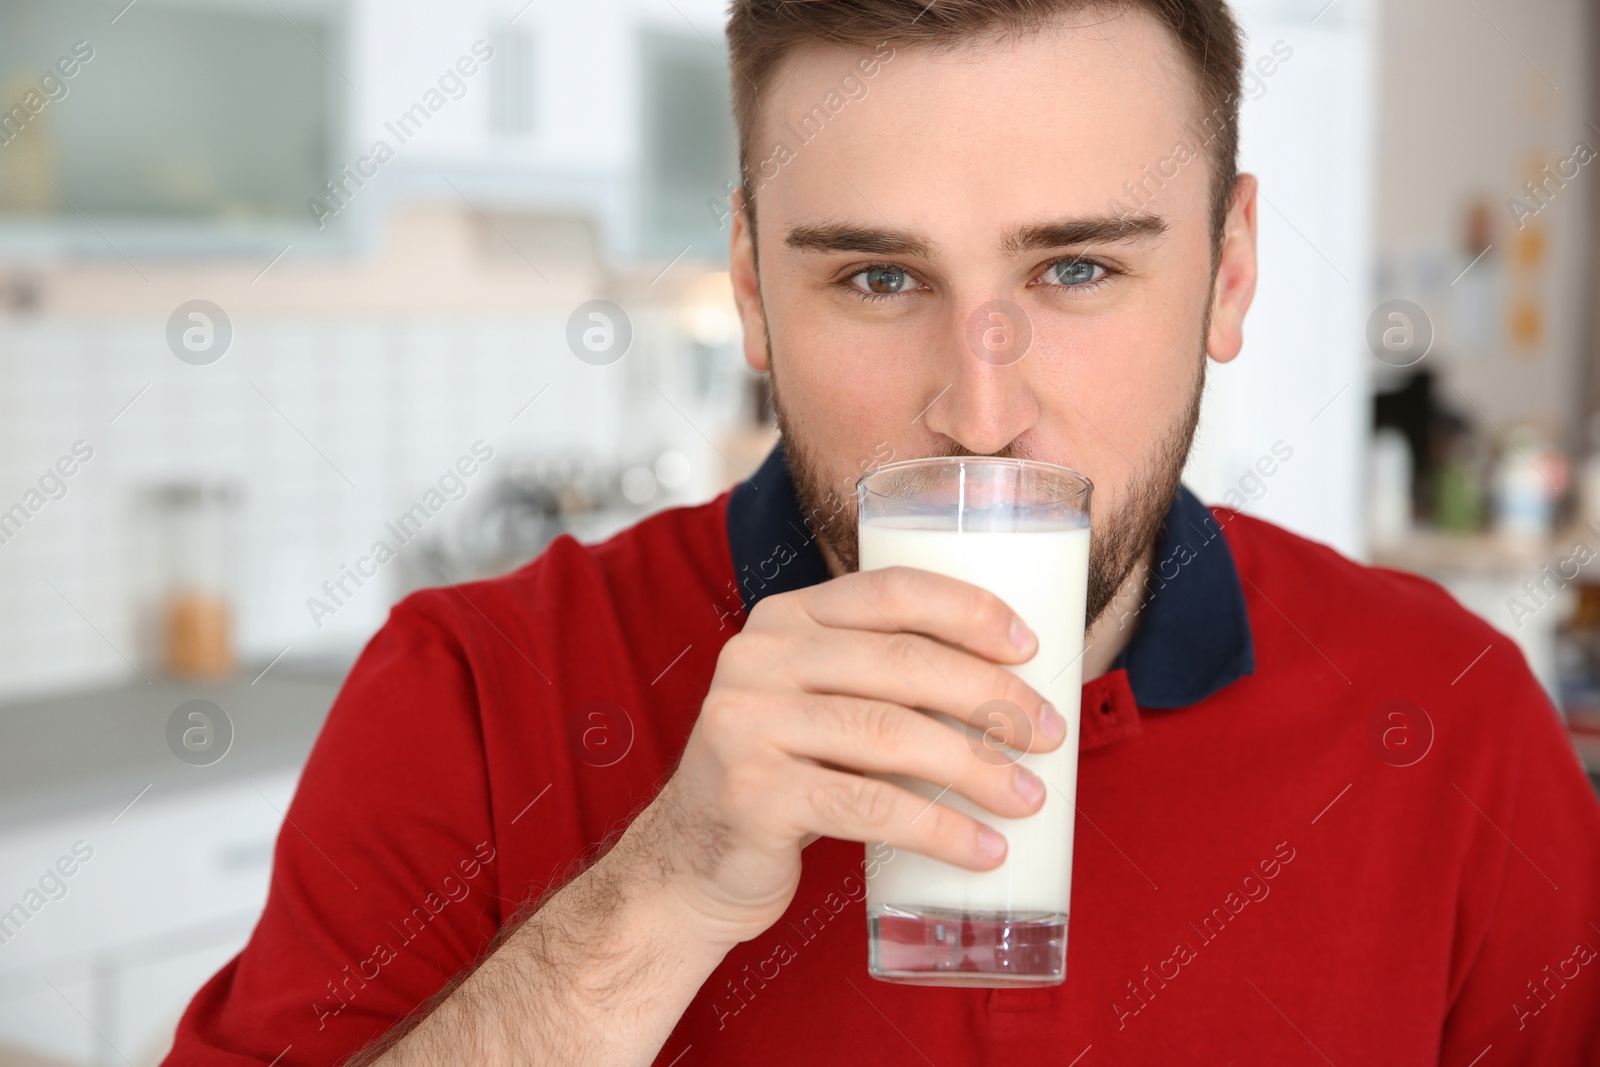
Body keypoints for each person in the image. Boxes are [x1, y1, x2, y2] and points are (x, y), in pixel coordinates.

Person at [164, 0, 1600, 1063]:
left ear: (1229, 275)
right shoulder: (472, 691)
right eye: (873, 278)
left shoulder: (1448, 714)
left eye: (1081, 267)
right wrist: (660, 896)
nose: (979, 414)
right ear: (748, 286)